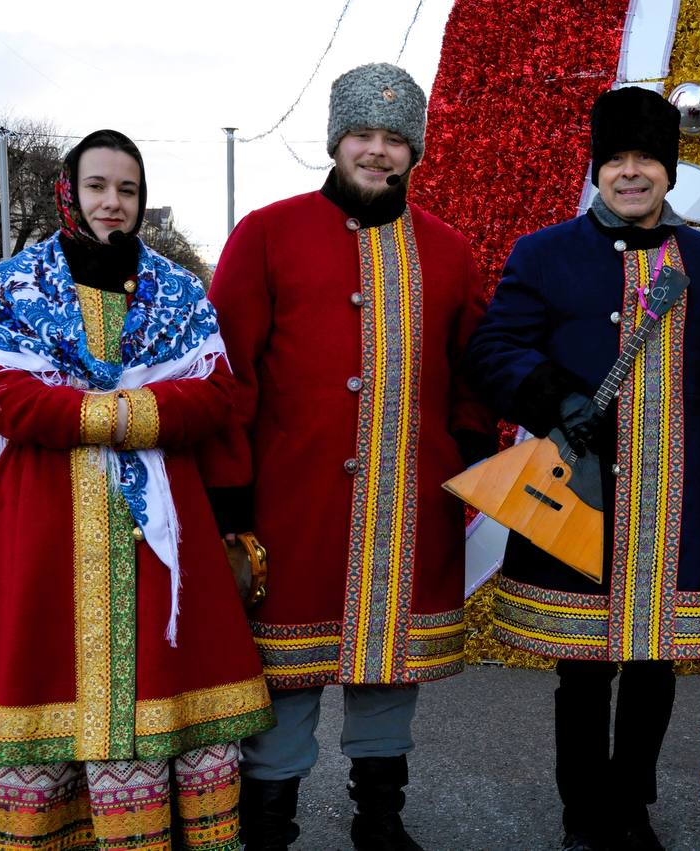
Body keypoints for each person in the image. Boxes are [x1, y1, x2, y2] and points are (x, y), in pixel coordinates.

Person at [0, 129, 273, 848]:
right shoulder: (16, 283)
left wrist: (132, 412)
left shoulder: (177, 289)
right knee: (45, 663)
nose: (113, 203)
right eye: (98, 187)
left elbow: (216, 394)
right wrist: (101, 413)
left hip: (162, 527)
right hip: (43, 512)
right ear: (69, 190)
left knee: (159, 684)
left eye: (127, 189)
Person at [199, 63, 494, 851]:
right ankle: (268, 824)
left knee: (388, 674)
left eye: (395, 140)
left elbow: (474, 370)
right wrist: (230, 501)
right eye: (363, 135)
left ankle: (381, 819)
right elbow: (229, 374)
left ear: (415, 152)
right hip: (290, 509)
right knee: (286, 676)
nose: (377, 152)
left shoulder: (451, 251)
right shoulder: (266, 232)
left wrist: (466, 455)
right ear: (336, 141)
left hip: (411, 504)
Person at [463, 85, 700, 851]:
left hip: (677, 499)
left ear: (669, 171)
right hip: (582, 492)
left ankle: (633, 805)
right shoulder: (545, 252)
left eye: (645, 158)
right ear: (597, 168)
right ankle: (583, 812)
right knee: (582, 669)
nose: (630, 173)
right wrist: (552, 392)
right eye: (615, 159)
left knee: (653, 666)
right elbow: (492, 350)